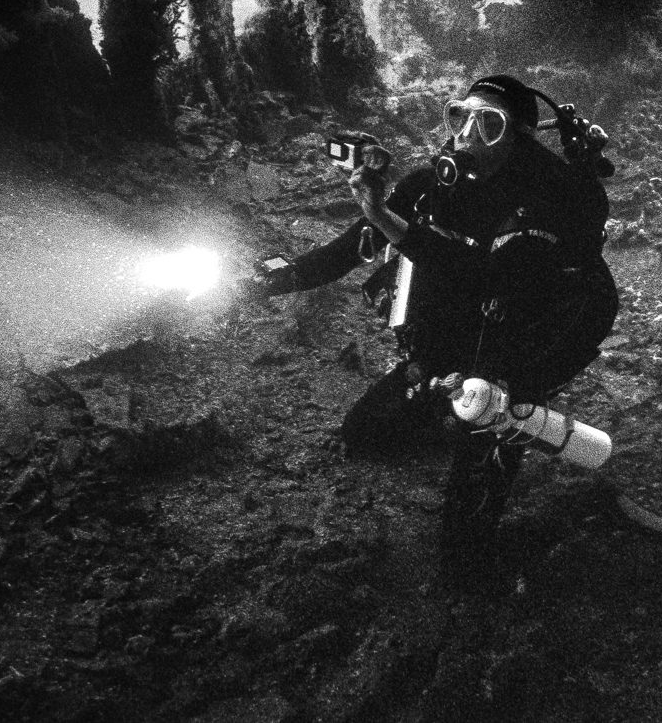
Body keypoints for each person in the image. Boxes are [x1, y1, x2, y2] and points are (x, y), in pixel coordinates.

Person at [249, 74, 618, 582]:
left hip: (535, 331)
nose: (466, 133)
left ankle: (505, 439)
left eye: (489, 124)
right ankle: (447, 398)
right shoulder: (430, 188)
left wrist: (385, 218)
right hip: (467, 326)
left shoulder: (548, 200)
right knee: (365, 433)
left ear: (518, 139)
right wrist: (267, 282)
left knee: (467, 525)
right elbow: (346, 252)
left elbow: (483, 276)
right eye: (459, 116)